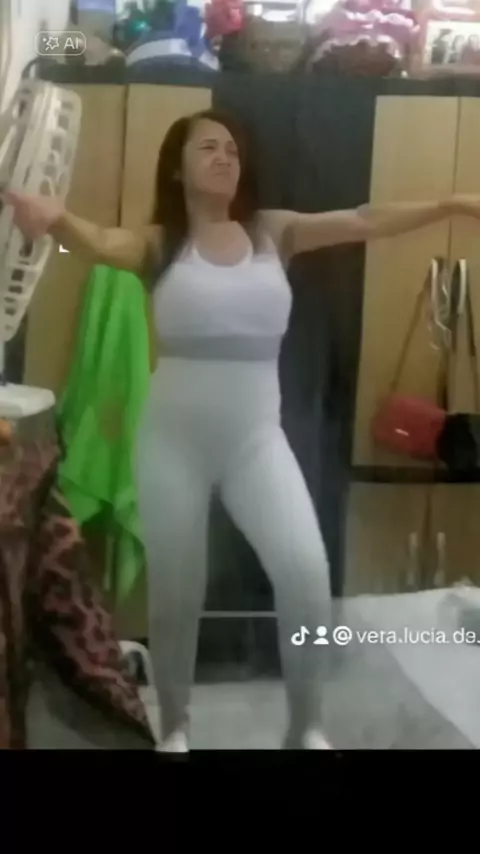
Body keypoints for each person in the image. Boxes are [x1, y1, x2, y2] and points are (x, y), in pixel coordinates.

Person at [5, 109, 480, 751]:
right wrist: (55, 218)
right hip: (172, 444)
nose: (225, 157)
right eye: (209, 147)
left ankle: (305, 728)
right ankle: (175, 727)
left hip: (256, 442)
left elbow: (365, 219)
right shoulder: (161, 243)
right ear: (177, 168)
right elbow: (99, 241)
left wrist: (453, 202)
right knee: (178, 591)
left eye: (231, 149)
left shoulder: (272, 231)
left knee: (306, 573)